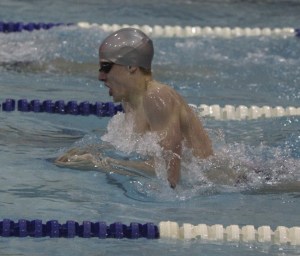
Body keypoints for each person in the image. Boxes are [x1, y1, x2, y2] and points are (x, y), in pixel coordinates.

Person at [56, 28, 213, 188]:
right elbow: (130, 147)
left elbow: (171, 176)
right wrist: (91, 150)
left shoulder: (157, 97)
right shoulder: (130, 101)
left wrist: (101, 164)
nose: (100, 76)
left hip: (219, 186)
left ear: (131, 66)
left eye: (106, 67)